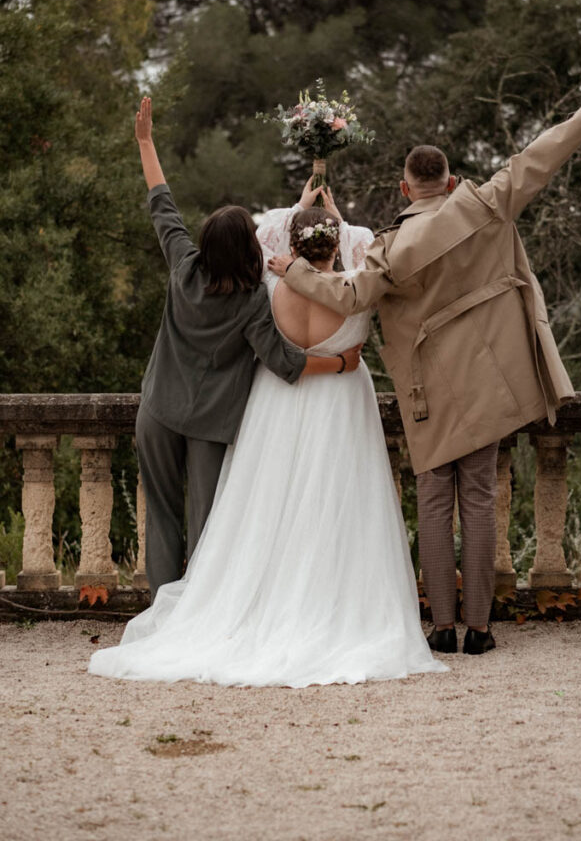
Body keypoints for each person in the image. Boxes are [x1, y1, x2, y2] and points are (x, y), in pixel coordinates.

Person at [269, 83, 581, 655]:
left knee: (435, 504)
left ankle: (440, 629)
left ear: (404, 188)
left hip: (426, 392)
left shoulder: (393, 247)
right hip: (490, 384)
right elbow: (541, 155)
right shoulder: (485, 204)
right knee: (480, 500)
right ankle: (480, 631)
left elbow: (350, 296)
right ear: (452, 182)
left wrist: (292, 271)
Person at [89, 175, 446, 687]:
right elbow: (364, 266)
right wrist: (345, 363)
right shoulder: (342, 294)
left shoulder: (258, 288)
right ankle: (318, 601)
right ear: (333, 243)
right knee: (311, 511)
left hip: (214, 411)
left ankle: (180, 608)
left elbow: (184, 222)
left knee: (243, 519)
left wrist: (299, 215)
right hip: (331, 414)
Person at [130, 98, 362, 600]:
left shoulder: (183, 269)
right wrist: (341, 361)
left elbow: (161, 204)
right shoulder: (253, 300)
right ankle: (199, 608)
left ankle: (163, 610)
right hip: (211, 427)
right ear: (249, 253)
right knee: (209, 522)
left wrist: (146, 142)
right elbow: (286, 364)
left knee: (161, 515)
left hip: (157, 411)